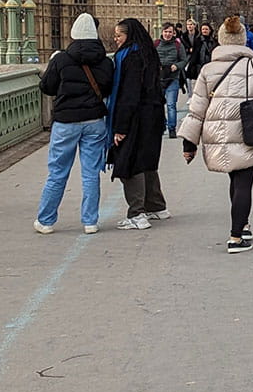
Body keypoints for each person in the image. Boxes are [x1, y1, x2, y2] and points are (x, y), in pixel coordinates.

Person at [180, 15, 253, 254]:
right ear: (242, 40)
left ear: (221, 40)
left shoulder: (208, 69)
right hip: (247, 130)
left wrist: (188, 143)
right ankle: (236, 236)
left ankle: (243, 224)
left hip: (217, 132)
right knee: (244, 183)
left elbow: (196, 107)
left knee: (234, 179)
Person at [34, 14, 115, 235]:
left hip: (66, 122)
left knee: (58, 172)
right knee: (90, 173)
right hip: (94, 120)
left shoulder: (60, 59)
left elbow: (47, 87)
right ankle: (90, 221)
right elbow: (107, 89)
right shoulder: (106, 61)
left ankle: (46, 220)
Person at [107, 18, 168, 229]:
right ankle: (157, 206)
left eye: (118, 36)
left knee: (130, 161)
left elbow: (129, 93)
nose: (116, 40)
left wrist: (120, 128)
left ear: (129, 35)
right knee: (147, 159)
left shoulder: (130, 57)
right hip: (153, 113)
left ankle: (137, 214)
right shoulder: (148, 53)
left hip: (137, 115)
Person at [157, 22, 187, 137]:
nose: (168, 34)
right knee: (159, 104)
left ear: (173, 33)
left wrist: (177, 66)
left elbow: (184, 60)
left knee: (171, 104)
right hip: (159, 78)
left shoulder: (178, 45)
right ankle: (162, 124)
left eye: (170, 32)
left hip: (172, 78)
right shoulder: (156, 44)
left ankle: (172, 128)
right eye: (166, 31)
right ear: (162, 32)